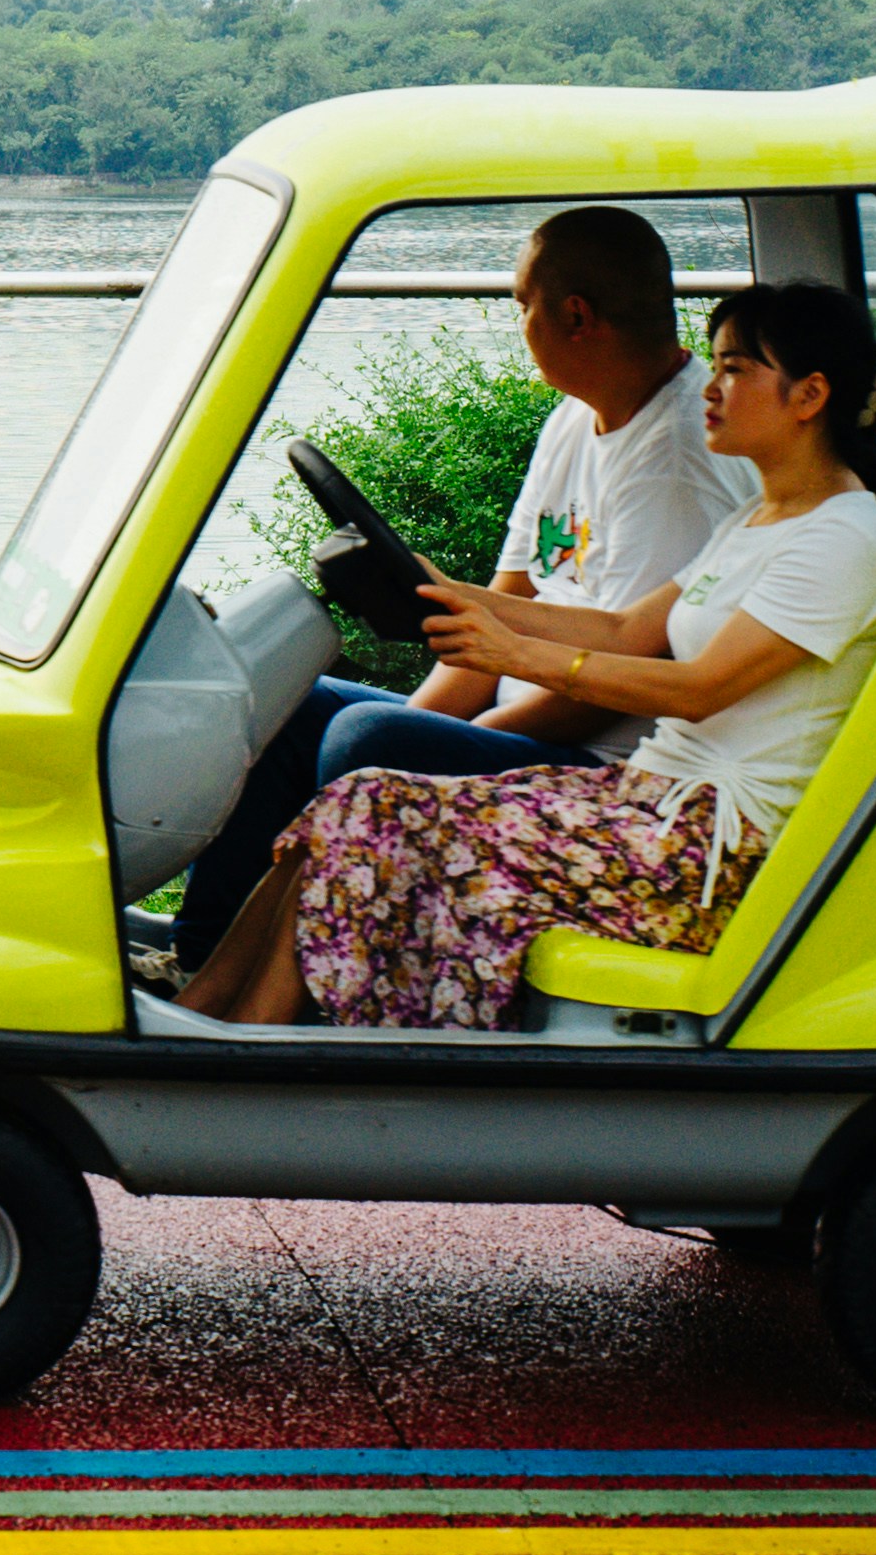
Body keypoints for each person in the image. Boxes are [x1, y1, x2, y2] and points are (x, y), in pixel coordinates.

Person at [168, 278, 876, 1041]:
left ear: (809, 395)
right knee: (352, 803)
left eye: (736, 369)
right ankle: (202, 1015)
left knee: (373, 802)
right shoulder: (758, 518)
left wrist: (518, 653)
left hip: (701, 854)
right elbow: (627, 629)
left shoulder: (843, 537)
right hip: (645, 804)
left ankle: (256, 1038)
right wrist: (453, 592)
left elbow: (700, 688)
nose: (712, 386)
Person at [156, 203, 737, 984]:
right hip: (526, 723)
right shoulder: (574, 420)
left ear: (575, 315)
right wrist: (419, 721)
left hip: (597, 755)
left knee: (368, 743)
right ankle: (196, 962)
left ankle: (310, 980)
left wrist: (432, 737)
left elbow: (608, 684)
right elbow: (487, 615)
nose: (518, 322)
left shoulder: (677, 463)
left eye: (522, 305)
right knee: (289, 700)